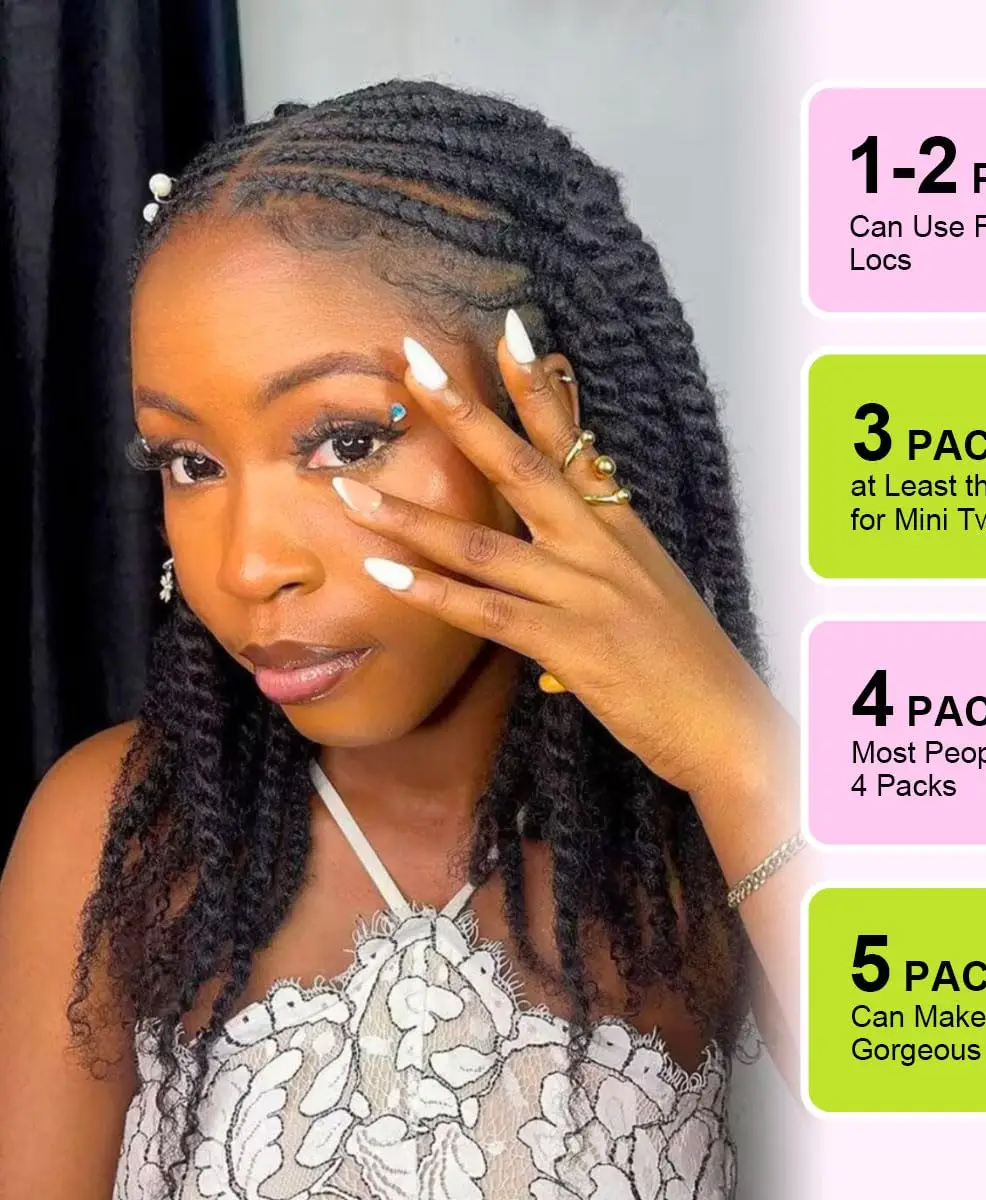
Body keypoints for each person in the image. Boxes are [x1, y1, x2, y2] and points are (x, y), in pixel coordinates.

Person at [0, 79, 804, 1198]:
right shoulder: (115, 839)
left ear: (546, 421)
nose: (248, 566)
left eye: (341, 441)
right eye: (191, 462)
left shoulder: (714, 844)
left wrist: (740, 761)